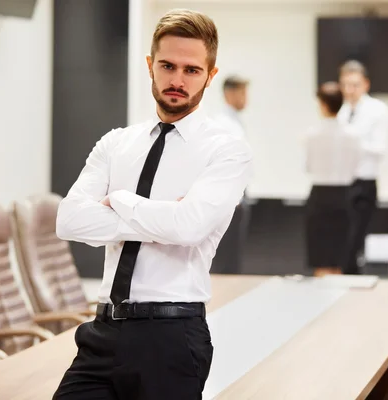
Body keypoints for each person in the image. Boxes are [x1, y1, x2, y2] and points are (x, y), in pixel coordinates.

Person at [52, 9, 252, 400]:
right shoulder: (116, 143)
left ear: (211, 75)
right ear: (150, 65)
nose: (177, 80)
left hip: (172, 337)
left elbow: (189, 228)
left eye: (192, 70)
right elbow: (70, 220)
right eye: (167, 65)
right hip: (101, 333)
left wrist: (121, 201)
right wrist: (164, 217)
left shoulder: (227, 150)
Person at [337, 60, 388, 274]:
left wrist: (351, 142)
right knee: (339, 241)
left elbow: (379, 148)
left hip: (364, 184)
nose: (349, 90)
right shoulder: (340, 111)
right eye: (345, 85)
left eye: (354, 85)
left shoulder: (378, 110)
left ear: (366, 84)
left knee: (354, 241)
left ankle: (351, 282)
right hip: (341, 183)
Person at [303, 82, 360, 277]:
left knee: (320, 257)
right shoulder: (353, 135)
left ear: (323, 104)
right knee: (338, 257)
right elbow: (355, 168)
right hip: (343, 196)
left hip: (319, 196)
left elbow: (308, 167)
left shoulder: (312, 135)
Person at [211, 75, 250, 274]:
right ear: (230, 93)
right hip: (229, 196)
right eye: (243, 93)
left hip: (237, 194)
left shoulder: (234, 121)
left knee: (233, 255)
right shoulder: (224, 123)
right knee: (227, 256)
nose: (246, 98)